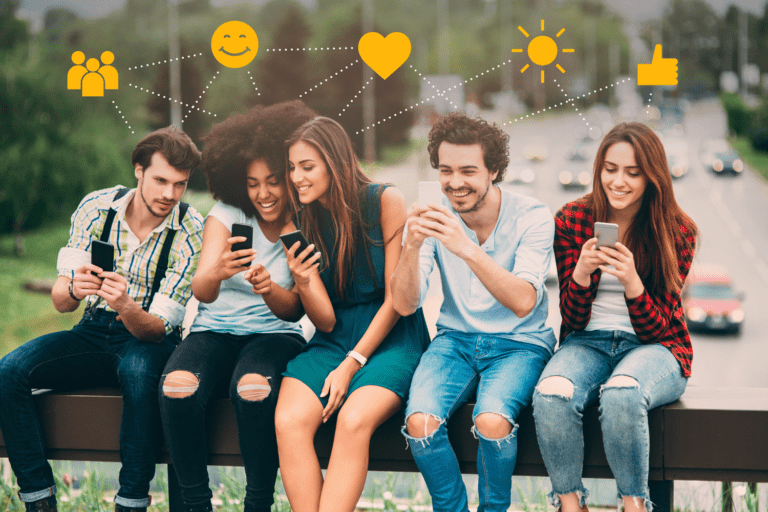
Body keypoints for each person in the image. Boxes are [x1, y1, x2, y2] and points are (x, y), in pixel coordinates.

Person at [0, 127, 204, 512]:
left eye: (180, 184)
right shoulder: (97, 208)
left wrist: (126, 304)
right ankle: (38, 499)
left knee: (139, 377)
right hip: (93, 331)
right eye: (161, 180)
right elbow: (62, 302)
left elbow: (159, 327)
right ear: (138, 171)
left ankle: (130, 502)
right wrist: (76, 288)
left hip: (148, 340)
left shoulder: (191, 231)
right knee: (9, 372)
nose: (169, 195)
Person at [391, 112, 556, 512]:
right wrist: (411, 247)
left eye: (468, 170)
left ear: (494, 170)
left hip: (520, 344)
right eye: (445, 171)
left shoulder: (532, 216)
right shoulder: (435, 217)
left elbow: (523, 301)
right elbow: (404, 304)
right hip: (456, 342)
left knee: (491, 422)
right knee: (421, 425)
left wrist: (464, 246)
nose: (454, 183)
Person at [158, 100, 316, 512]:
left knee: (253, 390)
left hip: (275, 335)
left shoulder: (303, 223)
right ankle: (195, 502)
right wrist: (218, 269)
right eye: (252, 183)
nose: (263, 193)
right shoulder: (227, 213)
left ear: (290, 177)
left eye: (273, 181)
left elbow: (296, 311)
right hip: (213, 329)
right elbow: (201, 291)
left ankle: (258, 502)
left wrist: (267, 288)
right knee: (177, 387)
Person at [532, 122, 697, 512]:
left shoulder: (677, 231)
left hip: (658, 348)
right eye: (610, 169)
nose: (618, 181)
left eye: (632, 172)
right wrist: (582, 272)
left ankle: (634, 504)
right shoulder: (573, 218)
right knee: (551, 394)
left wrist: (632, 282)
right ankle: (571, 504)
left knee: (623, 393)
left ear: (652, 177)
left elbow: (659, 329)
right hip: (586, 339)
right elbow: (571, 317)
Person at [274, 116, 430, 512]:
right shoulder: (301, 218)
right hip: (333, 337)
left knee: (353, 420)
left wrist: (352, 362)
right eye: (292, 168)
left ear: (336, 163)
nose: (296, 178)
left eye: (306, 167)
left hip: (392, 337)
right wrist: (305, 282)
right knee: (289, 421)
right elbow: (324, 321)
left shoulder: (384, 200)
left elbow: (397, 299)